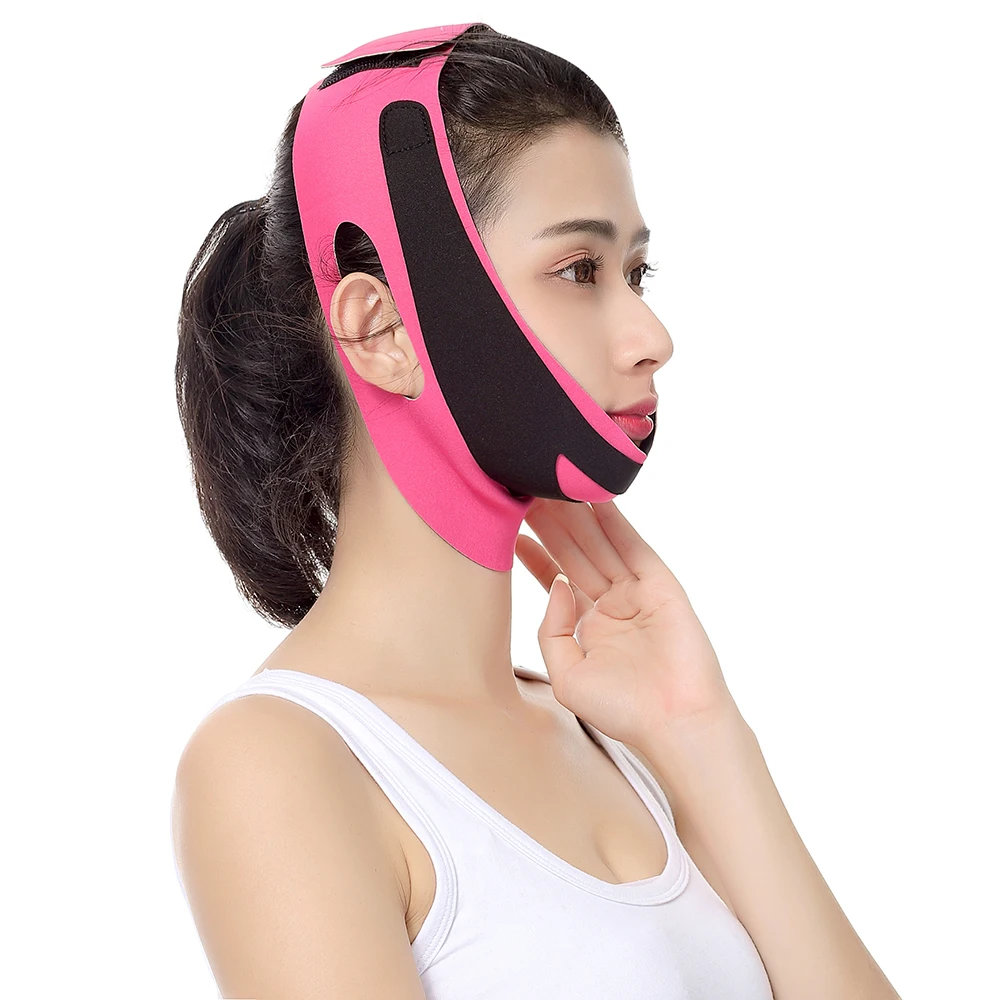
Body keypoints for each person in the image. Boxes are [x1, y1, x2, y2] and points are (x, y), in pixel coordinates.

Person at [171, 24, 900, 1000]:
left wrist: (700, 732)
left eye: (635, 273)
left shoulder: (622, 727)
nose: (651, 336)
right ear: (381, 330)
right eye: (578, 270)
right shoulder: (280, 765)